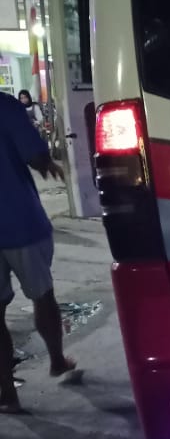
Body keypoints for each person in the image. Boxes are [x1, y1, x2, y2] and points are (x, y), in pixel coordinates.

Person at [1, 94, 82, 414]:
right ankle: (57, 361)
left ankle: (7, 393)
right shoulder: (6, 107)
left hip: (19, 223)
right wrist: (48, 162)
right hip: (20, 222)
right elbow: (35, 156)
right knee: (42, 296)